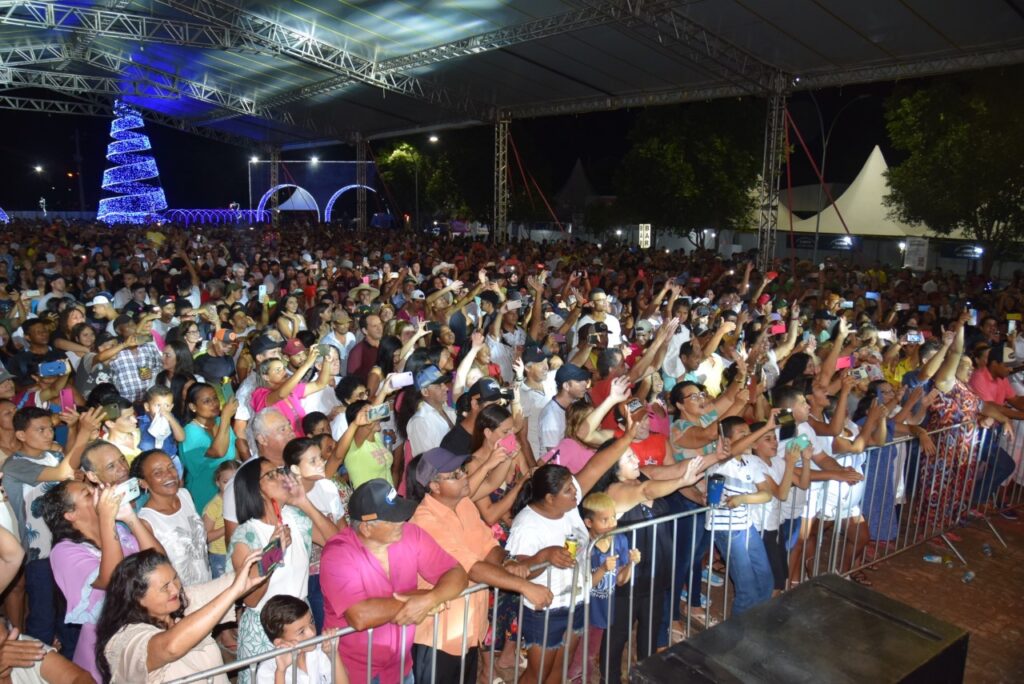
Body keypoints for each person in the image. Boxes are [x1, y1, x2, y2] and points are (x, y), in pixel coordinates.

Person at [408, 447, 553, 683]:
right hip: (438, 634)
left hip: (469, 625)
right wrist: (523, 586)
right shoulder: (425, 521)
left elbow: (487, 547)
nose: (464, 476)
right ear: (434, 486)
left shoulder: (463, 504)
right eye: (454, 475)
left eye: (462, 470)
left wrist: (507, 561)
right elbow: (470, 567)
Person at [319, 479, 468, 684]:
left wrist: (429, 599)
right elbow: (360, 615)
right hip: (354, 674)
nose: (401, 521)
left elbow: (457, 573)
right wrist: (417, 600)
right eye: (392, 518)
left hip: (401, 669)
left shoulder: (410, 535)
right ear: (366, 528)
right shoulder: (338, 554)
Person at [41, 479, 164, 680]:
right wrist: (106, 519)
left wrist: (130, 517)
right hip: (109, 646)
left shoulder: (120, 530)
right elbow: (113, 579)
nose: (98, 493)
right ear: (70, 514)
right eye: (88, 494)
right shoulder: (63, 552)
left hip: (147, 629)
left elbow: (159, 562)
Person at [229, 457, 338, 684]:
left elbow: (336, 541)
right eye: (271, 475)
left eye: (280, 471)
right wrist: (273, 554)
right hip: (266, 630)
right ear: (254, 489)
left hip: (300, 623)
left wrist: (303, 502)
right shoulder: (246, 536)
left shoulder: (296, 518)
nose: (282, 477)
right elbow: (250, 598)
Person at [96, 549, 266, 683]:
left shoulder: (182, 602)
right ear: (137, 598)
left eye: (175, 579)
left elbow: (242, 580)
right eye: (165, 587)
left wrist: (274, 551)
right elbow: (170, 647)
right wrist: (233, 592)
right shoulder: (124, 640)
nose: (175, 589)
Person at [134, 449, 212, 586]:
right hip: (181, 595)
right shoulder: (146, 521)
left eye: (171, 467)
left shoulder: (185, 495)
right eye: (158, 473)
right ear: (143, 483)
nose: (169, 475)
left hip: (207, 584)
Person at [256, 595, 346, 684]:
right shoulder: (267, 670)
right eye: (302, 631)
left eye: (311, 622)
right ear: (280, 642)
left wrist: (333, 654)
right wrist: (281, 672)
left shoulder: (319, 650)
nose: (312, 632)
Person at [180, 383, 238, 513]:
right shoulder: (189, 432)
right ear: (193, 407)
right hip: (206, 495)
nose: (214, 403)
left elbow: (234, 454)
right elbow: (219, 451)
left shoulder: (219, 421)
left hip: (231, 490)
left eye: (215, 398)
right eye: (207, 401)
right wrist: (225, 418)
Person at [203, 460, 237, 579]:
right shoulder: (214, 506)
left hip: (238, 550)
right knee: (223, 589)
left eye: (235, 481)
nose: (230, 486)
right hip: (220, 556)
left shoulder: (242, 500)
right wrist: (228, 526)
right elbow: (205, 537)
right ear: (217, 483)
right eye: (225, 482)